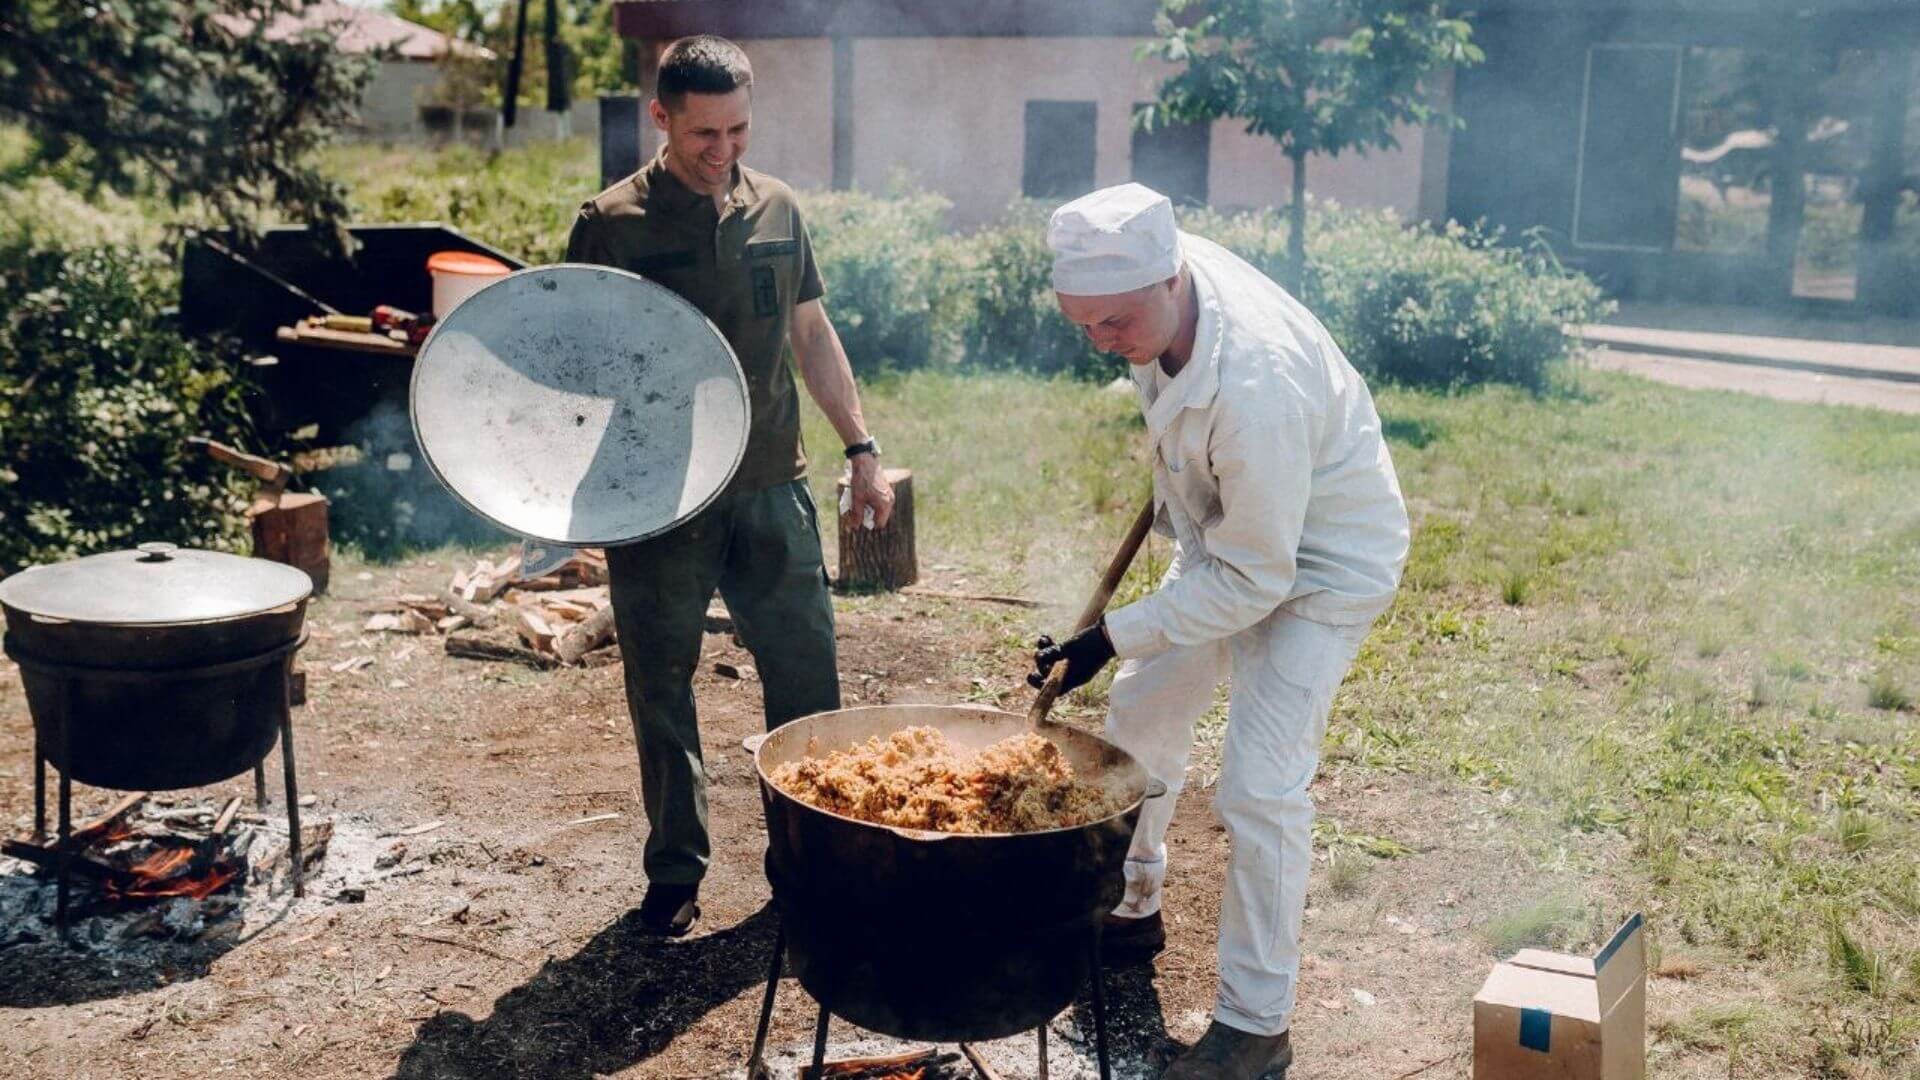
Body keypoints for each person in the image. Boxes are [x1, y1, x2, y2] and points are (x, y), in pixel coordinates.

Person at [1030, 184, 1409, 1078]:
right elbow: (1217, 529)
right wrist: (1129, 641)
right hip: (1227, 533)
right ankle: (1132, 900)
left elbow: (1257, 580)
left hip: (1319, 563)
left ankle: (1255, 1026)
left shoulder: (1256, 384)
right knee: (1146, 710)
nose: (1102, 342)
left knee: (1260, 788)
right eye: (1083, 325)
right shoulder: (1143, 287)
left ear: (1172, 278)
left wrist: (1108, 634)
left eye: (1115, 324)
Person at [565, 34, 893, 937]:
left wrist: (861, 448)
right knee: (661, 689)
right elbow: (572, 361)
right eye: (703, 132)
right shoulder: (611, 224)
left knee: (806, 681)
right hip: (657, 503)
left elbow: (812, 334)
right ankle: (675, 872)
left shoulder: (780, 209)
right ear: (661, 117)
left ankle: (813, 859)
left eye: (739, 129)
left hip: (769, 487)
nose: (723, 151)